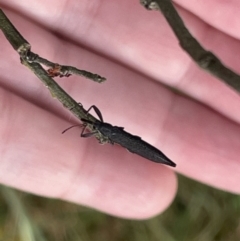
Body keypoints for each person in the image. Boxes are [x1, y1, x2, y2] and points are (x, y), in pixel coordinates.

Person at [1, 0, 240, 219]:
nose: (88, 126)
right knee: (128, 143)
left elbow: (92, 125)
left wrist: (92, 123)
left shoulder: (97, 127)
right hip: (121, 136)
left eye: (89, 126)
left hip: (121, 136)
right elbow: (93, 126)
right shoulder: (99, 128)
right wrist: (94, 124)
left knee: (126, 140)